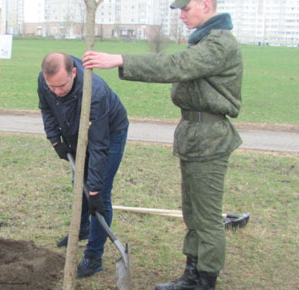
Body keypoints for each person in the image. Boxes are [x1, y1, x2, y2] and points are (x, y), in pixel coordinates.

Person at [83, 0, 242, 288]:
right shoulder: (205, 39)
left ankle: (204, 279)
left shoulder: (220, 43)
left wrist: (120, 59)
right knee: (193, 211)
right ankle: (192, 273)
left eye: (185, 9)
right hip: (195, 133)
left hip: (209, 136)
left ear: (206, 4)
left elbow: (176, 65)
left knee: (206, 216)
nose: (181, 15)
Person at [38, 52, 128, 278]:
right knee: (79, 185)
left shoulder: (94, 93)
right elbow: (47, 108)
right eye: (52, 87)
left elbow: (99, 146)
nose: (57, 91)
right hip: (77, 131)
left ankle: (93, 257)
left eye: (62, 85)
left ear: (74, 73)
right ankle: (83, 228)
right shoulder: (46, 81)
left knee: (100, 196)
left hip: (109, 133)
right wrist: (55, 138)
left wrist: (95, 189)